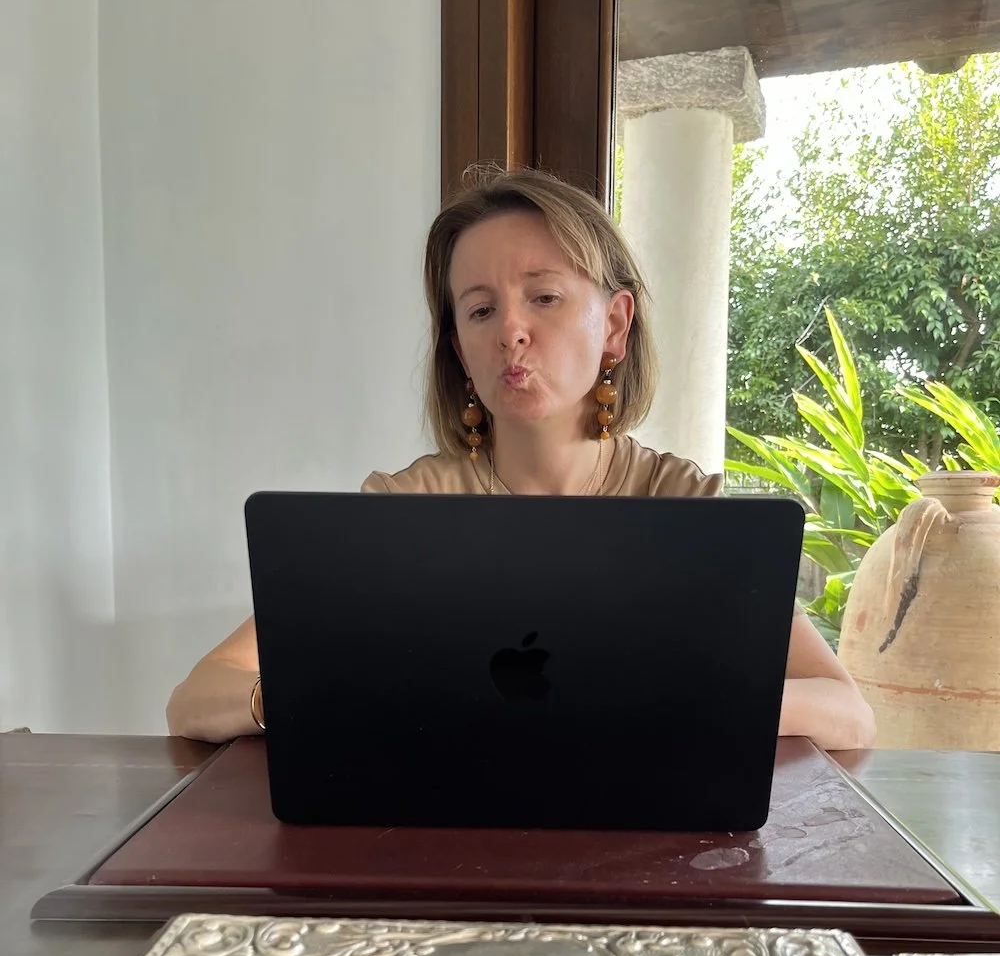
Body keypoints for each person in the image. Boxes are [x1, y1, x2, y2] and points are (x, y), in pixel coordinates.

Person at [167, 166, 876, 751]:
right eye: (480, 310)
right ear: (459, 351)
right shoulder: (401, 510)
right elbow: (194, 698)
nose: (511, 330)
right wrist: (300, 700)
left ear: (615, 325)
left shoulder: (685, 505)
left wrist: (683, 702)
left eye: (544, 297)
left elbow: (847, 713)